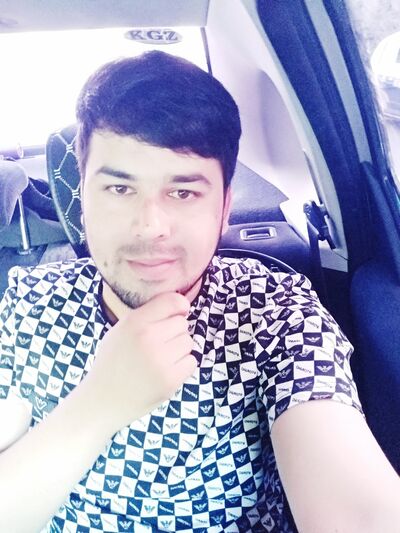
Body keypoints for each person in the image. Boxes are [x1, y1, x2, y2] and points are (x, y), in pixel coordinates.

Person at [0, 51, 399, 533]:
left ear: (224, 207)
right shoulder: (29, 302)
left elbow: (358, 511)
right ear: (83, 197)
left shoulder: (273, 311)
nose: (150, 226)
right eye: (120, 190)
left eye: (183, 192)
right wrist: (99, 403)